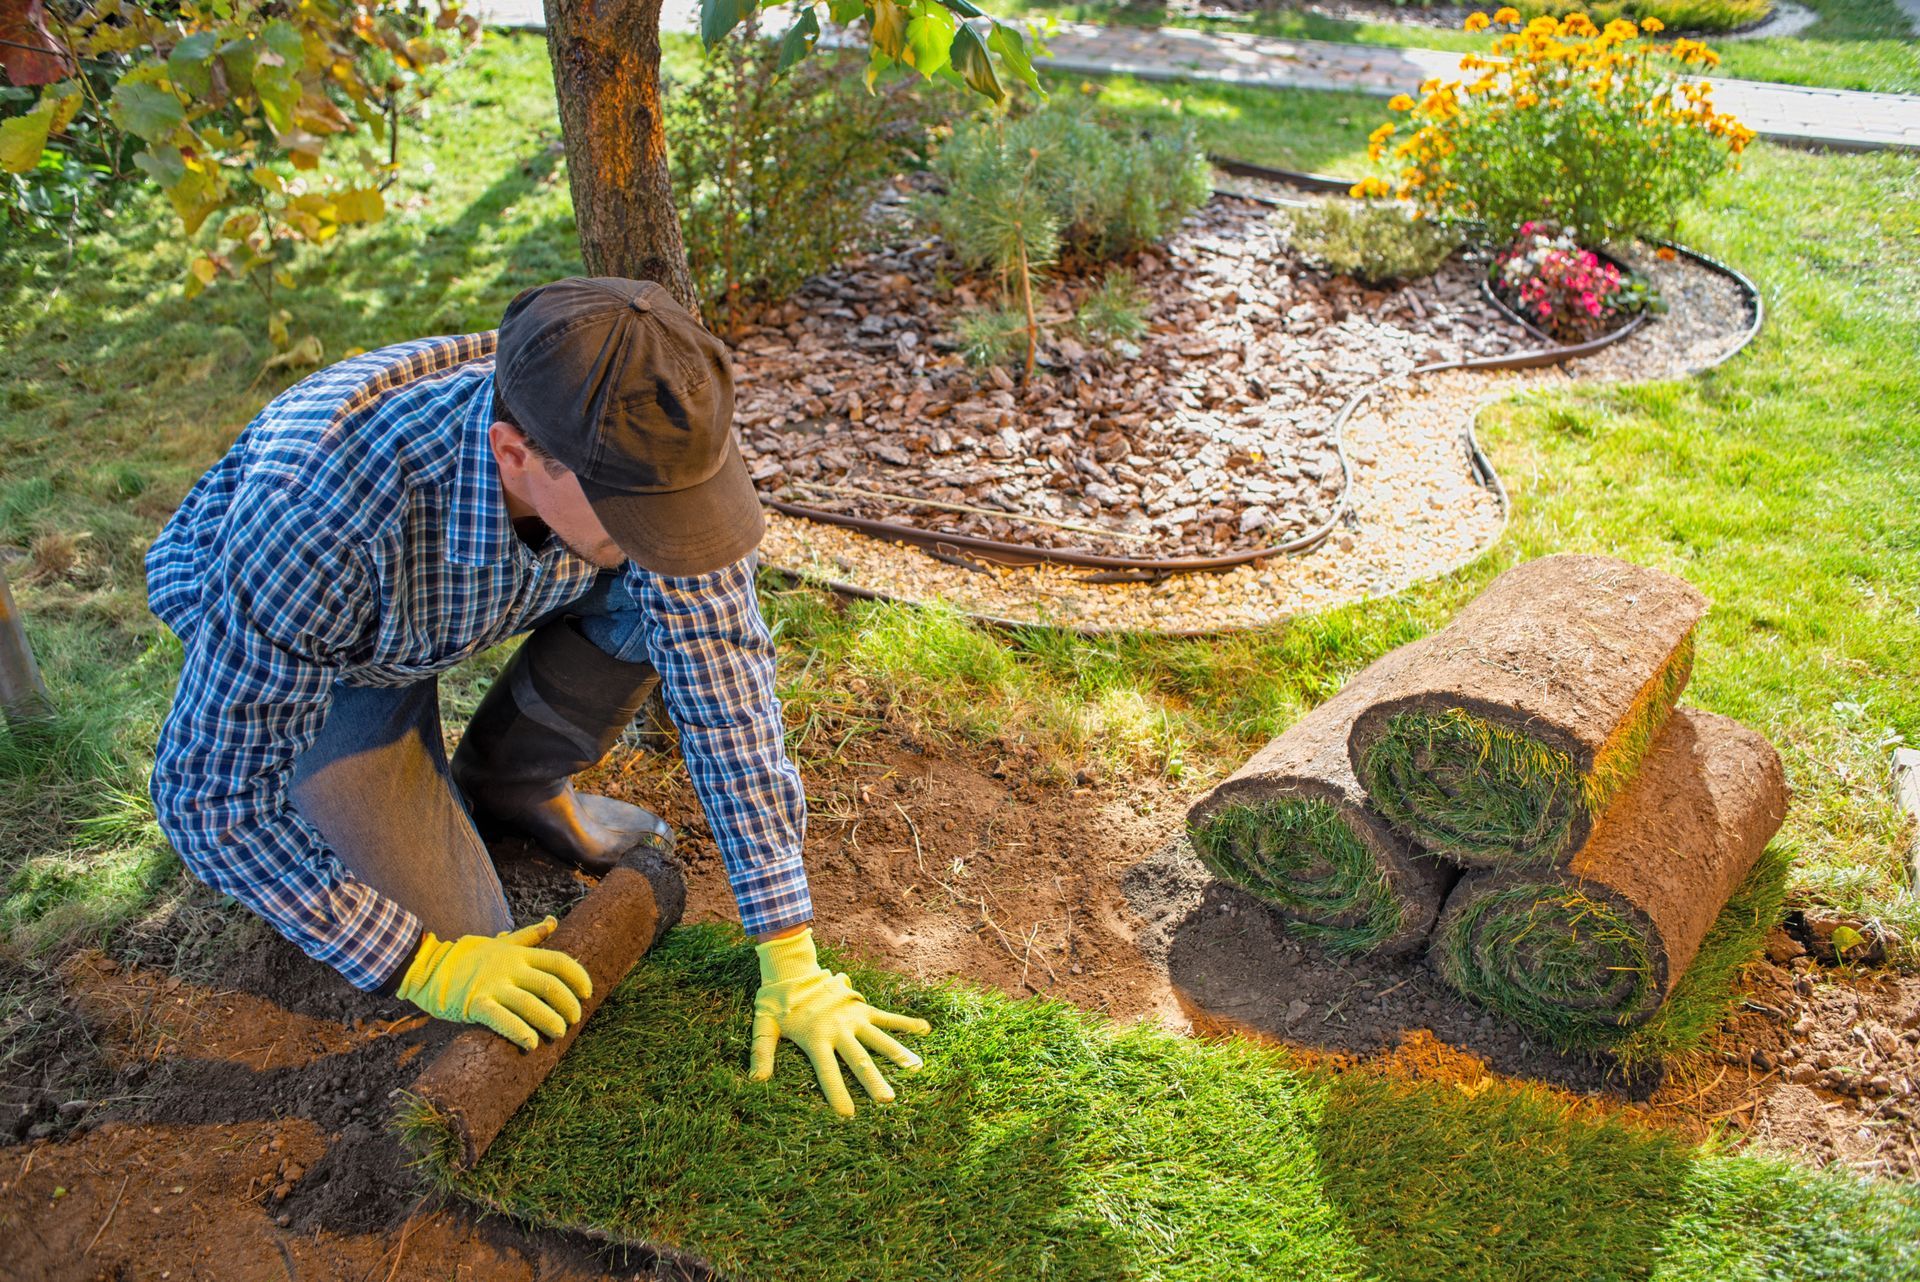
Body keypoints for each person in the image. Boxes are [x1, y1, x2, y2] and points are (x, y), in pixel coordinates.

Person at [145, 277, 927, 1116]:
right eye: (636, 514)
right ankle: (385, 782)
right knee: (469, 934)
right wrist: (424, 962)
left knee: (657, 598)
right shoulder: (315, 520)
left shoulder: (637, 428)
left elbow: (720, 665)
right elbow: (209, 799)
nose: (669, 536)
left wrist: (790, 946)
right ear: (517, 456)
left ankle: (508, 784)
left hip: (474, 587)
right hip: (336, 659)